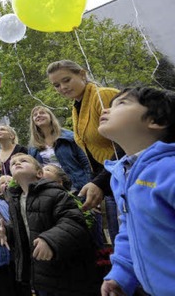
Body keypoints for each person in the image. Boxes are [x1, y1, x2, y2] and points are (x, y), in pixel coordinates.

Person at [97, 87, 175, 296]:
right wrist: (121, 274)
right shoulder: (121, 175)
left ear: (156, 121)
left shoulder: (169, 170)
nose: (105, 110)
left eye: (121, 104)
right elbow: (129, 232)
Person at [0, 154, 98, 296]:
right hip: (38, 274)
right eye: (13, 163)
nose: (17, 163)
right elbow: (24, 228)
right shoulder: (15, 200)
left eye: (24, 161)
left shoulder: (55, 193)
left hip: (64, 271)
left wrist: (50, 240)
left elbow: (74, 221)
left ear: (39, 173)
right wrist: (7, 232)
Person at [47, 60, 119, 243]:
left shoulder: (103, 96)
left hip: (129, 177)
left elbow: (128, 141)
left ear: (82, 74)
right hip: (110, 183)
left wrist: (99, 183)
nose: (62, 87)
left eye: (66, 80)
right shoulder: (76, 106)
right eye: (56, 85)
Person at [28, 106, 92, 193]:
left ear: (50, 117)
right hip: (50, 189)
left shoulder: (69, 137)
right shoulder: (33, 147)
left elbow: (86, 162)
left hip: (78, 185)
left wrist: (90, 183)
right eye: (35, 115)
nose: (38, 115)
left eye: (42, 113)